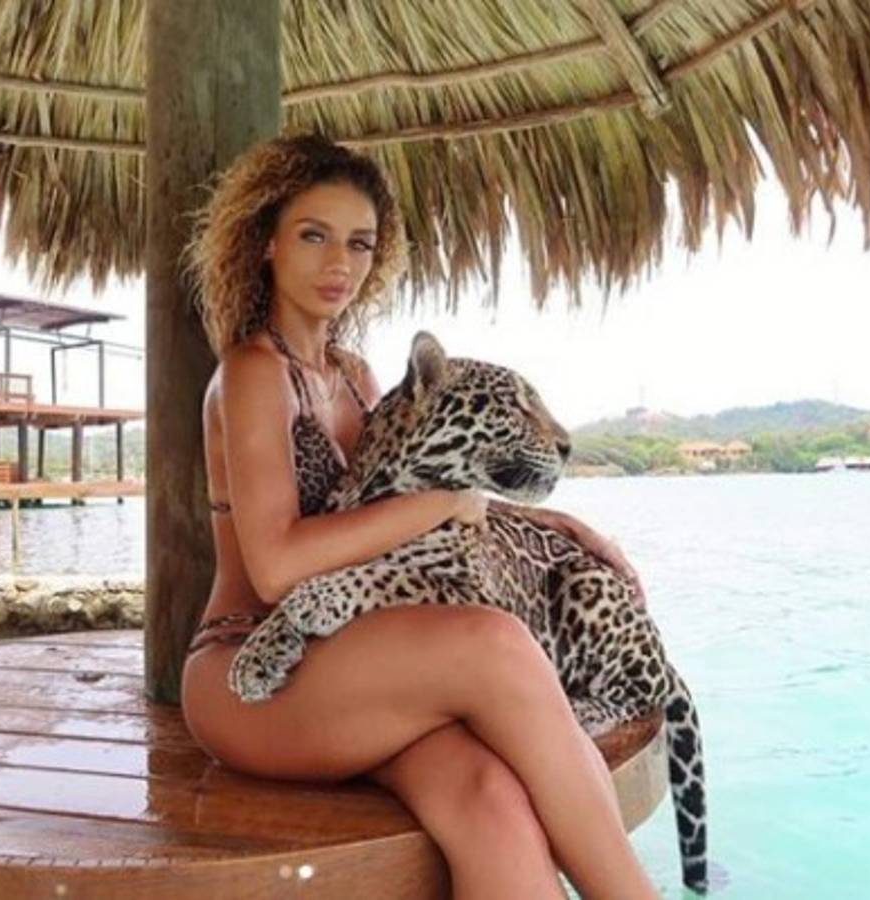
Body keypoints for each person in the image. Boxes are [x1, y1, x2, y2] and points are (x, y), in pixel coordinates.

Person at [180, 134, 658, 900]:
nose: (339, 262)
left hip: (354, 664)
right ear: (266, 242)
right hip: (252, 673)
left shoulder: (356, 376)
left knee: (492, 804)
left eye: (359, 243)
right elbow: (275, 567)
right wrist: (447, 502)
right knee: (492, 644)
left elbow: (409, 508)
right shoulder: (251, 373)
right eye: (313, 235)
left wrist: (556, 527)